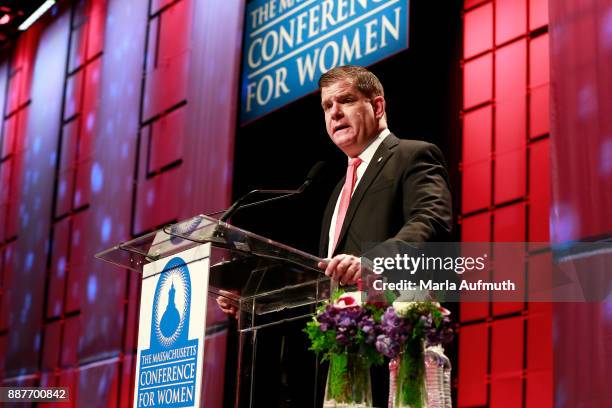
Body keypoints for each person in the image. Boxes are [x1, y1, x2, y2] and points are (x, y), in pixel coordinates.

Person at [316, 65, 453, 406]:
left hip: (397, 351)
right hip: (344, 363)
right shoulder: (336, 190)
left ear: (377, 107)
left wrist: (371, 263)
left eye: (345, 100)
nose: (335, 112)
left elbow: (431, 221)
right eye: (327, 106)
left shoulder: (412, 155)